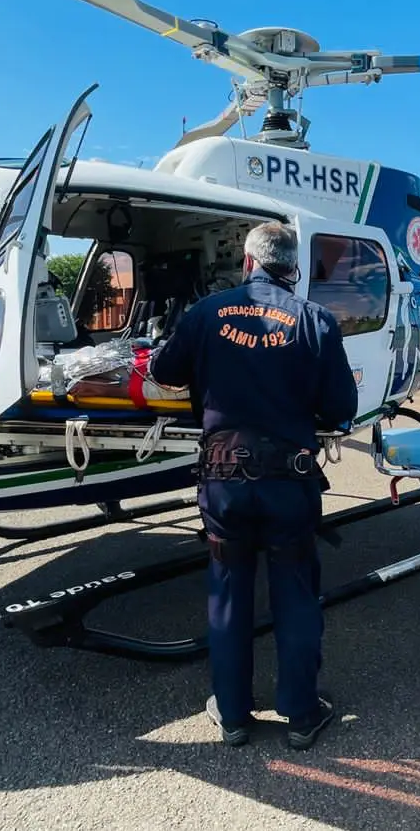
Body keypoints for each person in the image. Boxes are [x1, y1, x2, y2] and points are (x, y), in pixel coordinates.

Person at [149, 220, 358, 750]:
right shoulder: (314, 320)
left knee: (229, 595)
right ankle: (302, 714)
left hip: (223, 481)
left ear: (247, 262)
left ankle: (235, 715)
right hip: (288, 481)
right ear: (294, 267)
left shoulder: (206, 312)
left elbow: (165, 371)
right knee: (295, 595)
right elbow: (340, 409)